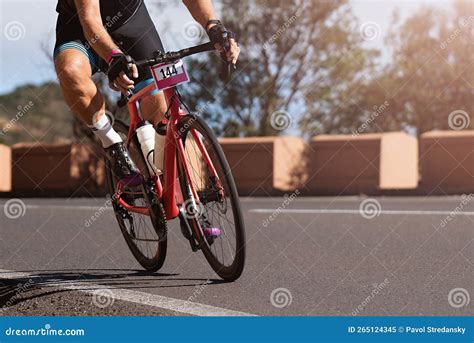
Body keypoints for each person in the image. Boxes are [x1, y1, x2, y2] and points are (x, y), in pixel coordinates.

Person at [53, 0, 240, 186]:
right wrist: (112, 57)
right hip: (80, 30)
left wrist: (213, 25)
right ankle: (112, 143)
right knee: (70, 72)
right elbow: (90, 19)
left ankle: (166, 179)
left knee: (161, 108)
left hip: (132, 25)